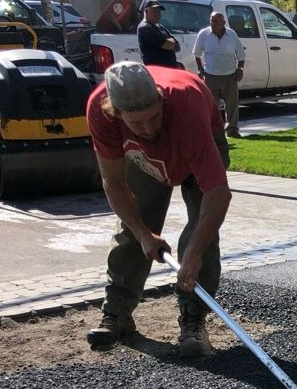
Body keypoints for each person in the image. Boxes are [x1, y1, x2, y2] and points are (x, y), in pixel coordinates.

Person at [84, 61, 231, 357]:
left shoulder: (186, 106)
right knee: (134, 225)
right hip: (144, 158)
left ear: (161, 99)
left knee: (201, 232)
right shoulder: (100, 111)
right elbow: (113, 183)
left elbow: (217, 193)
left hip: (196, 137)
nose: (149, 128)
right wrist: (142, 233)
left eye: (153, 117)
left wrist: (192, 253)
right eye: (137, 123)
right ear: (116, 111)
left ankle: (193, 320)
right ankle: (118, 314)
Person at [193, 11, 246, 138]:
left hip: (229, 75)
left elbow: (240, 55)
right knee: (211, 106)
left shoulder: (231, 35)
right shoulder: (204, 34)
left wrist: (240, 68)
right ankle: (212, 131)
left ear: (223, 23)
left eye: (216, 21)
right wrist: (200, 69)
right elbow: (197, 54)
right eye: (211, 20)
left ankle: (232, 130)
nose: (213, 23)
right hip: (210, 75)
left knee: (232, 106)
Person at [137, 0, 181, 68]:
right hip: (157, 71)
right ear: (146, 11)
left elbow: (177, 47)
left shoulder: (161, 27)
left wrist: (171, 42)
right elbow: (167, 45)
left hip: (168, 70)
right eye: (154, 11)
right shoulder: (145, 28)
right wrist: (170, 41)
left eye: (159, 11)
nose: (157, 14)